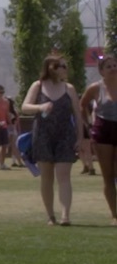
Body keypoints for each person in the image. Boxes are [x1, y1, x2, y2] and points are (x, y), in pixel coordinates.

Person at [22, 54, 83, 226]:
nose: (64, 69)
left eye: (65, 66)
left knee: (64, 176)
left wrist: (80, 137)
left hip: (65, 135)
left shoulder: (69, 88)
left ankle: (65, 216)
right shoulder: (38, 85)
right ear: (50, 68)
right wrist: (40, 107)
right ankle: (50, 216)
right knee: (47, 177)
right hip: (43, 135)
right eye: (61, 66)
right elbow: (25, 107)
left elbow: (78, 115)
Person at [79, 55, 117, 225]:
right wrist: (88, 125)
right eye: (109, 66)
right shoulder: (95, 88)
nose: (113, 68)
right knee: (108, 176)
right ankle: (115, 215)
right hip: (103, 132)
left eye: (115, 65)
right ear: (101, 71)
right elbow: (82, 105)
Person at [0, 85, 16, 169]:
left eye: (3, 92)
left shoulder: (6, 102)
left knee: (5, 144)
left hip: (3, 125)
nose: (1, 94)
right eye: (0, 92)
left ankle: (2, 164)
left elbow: (7, 113)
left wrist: (10, 123)